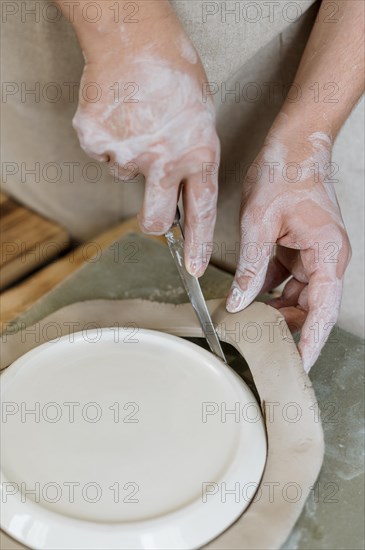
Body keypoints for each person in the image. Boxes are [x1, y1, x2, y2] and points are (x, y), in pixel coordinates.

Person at [3, 0, 364, 371]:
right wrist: (121, 29)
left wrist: (306, 138)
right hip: (60, 56)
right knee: (73, 262)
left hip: (299, 70)